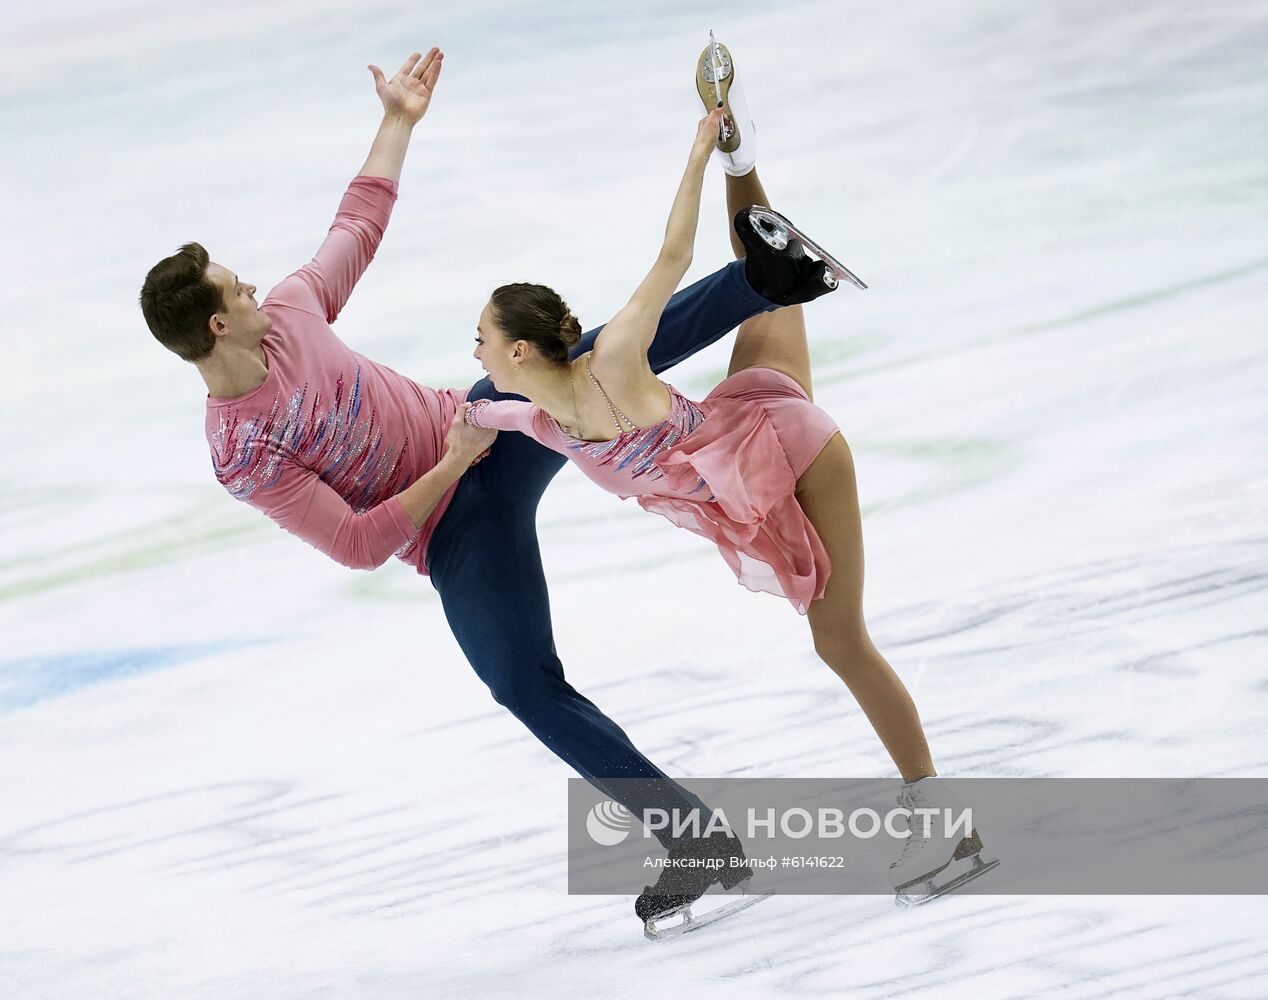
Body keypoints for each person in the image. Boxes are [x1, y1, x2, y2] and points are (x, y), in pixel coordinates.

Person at [137, 47, 841, 927]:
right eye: (231, 287)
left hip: (483, 426)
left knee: (584, 368)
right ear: (215, 325)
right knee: (521, 682)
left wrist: (397, 120)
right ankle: (690, 836)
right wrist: (452, 464)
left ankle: (765, 278)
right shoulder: (242, 450)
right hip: (451, 529)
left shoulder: (289, 313)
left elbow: (356, 225)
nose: (251, 283)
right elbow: (359, 543)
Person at [463, 40, 996, 909]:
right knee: (768, 275)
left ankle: (951, 829)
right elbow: (479, 413)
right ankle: (751, 161)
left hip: (786, 455)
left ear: (520, 349)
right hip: (746, 420)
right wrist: (447, 428)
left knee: (840, 641)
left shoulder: (615, 360)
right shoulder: (544, 418)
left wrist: (692, 155)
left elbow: (671, 257)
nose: (476, 353)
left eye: (482, 340)